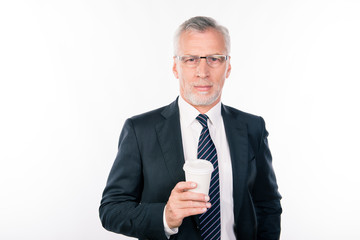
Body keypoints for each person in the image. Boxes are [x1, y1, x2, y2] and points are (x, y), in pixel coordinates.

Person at [99, 16, 282, 240]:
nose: (202, 72)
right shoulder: (140, 131)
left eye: (214, 59)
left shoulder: (253, 127)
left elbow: (267, 204)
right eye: (191, 59)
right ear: (176, 67)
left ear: (228, 66)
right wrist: (166, 216)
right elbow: (111, 210)